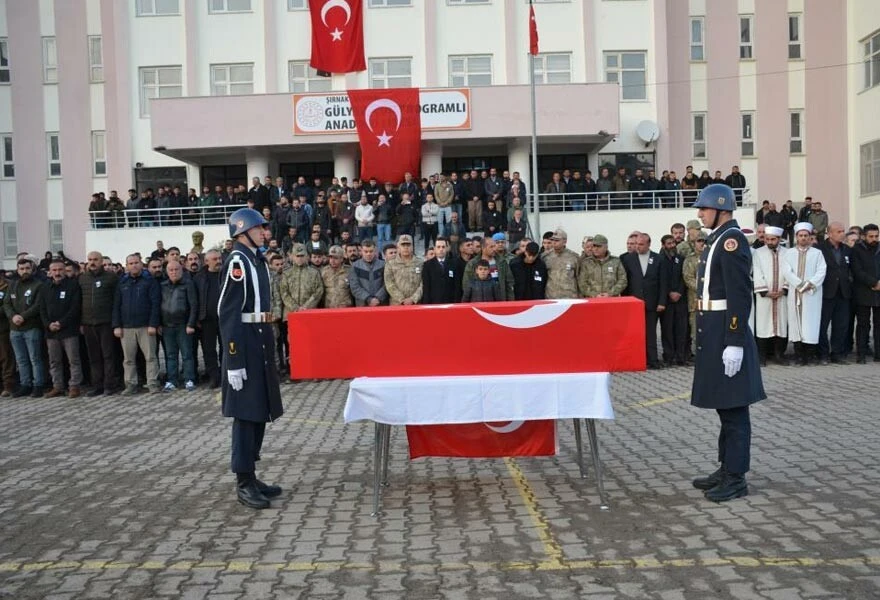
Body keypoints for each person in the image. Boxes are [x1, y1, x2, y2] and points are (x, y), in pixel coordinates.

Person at [690, 183, 766, 502]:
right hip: (714, 329)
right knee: (725, 407)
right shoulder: (718, 239)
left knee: (735, 409)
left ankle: (736, 477)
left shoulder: (731, 241)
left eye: (704, 208)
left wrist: (734, 340)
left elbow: (739, 294)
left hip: (726, 331)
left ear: (721, 209)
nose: (700, 213)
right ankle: (725, 468)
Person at [219, 208, 284, 510]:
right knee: (246, 415)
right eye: (259, 228)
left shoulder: (254, 259)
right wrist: (234, 359)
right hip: (244, 341)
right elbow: (228, 313)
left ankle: (252, 474)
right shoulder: (238, 262)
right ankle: (243, 480)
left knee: (259, 410)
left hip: (260, 337)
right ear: (242, 231)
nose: (264, 232)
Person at [112, 254, 162, 395]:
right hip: (126, 328)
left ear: (141, 264)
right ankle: (130, 384)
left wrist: (153, 324)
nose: (134, 265)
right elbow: (116, 305)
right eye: (131, 263)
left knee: (151, 357)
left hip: (145, 326)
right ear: (127, 266)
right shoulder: (122, 283)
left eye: (136, 262)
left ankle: (152, 383)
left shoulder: (149, 281)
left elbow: (155, 304)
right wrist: (116, 325)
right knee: (128, 359)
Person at [782, 223, 827, 365]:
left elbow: (821, 271)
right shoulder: (789, 253)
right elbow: (786, 271)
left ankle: (810, 355)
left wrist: (809, 284)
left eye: (806, 236)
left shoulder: (817, 253)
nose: (803, 238)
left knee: (811, 324)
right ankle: (799, 356)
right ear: (796, 237)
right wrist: (800, 284)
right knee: (796, 324)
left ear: (810, 237)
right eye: (800, 236)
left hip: (812, 295)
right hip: (795, 293)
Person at [622, 234, 667, 369]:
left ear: (648, 244)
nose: (637, 247)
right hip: (634, 302)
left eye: (641, 244)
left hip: (652, 302)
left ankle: (652, 360)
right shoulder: (628, 259)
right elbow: (626, 282)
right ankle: (636, 359)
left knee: (651, 332)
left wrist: (662, 302)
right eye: (636, 244)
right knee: (635, 333)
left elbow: (663, 283)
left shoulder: (658, 259)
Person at [4, 259, 47, 397]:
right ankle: (25, 384)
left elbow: (38, 305)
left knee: (35, 358)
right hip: (15, 328)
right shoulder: (12, 285)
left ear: (32, 269)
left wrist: (23, 316)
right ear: (17, 270)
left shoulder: (38, 285)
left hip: (31, 327)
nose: (24, 271)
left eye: (27, 268)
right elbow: (6, 303)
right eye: (21, 268)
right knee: (21, 359)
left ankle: (38, 385)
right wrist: (13, 316)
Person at [41, 259, 83, 398]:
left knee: (73, 360)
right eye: (54, 270)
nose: (57, 273)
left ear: (65, 270)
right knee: (54, 361)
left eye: (60, 270)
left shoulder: (73, 285)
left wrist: (61, 323)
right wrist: (49, 324)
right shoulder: (45, 287)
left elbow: (75, 308)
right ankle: (57, 386)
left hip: (69, 330)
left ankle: (74, 386)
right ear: (50, 272)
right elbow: (42, 309)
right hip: (51, 332)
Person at [751, 226, 790, 366]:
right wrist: (764, 291)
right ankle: (761, 357)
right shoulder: (758, 253)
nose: (769, 242)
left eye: (773, 239)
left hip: (781, 295)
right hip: (765, 296)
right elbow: (756, 271)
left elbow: (789, 272)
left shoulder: (787, 253)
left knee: (781, 324)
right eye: (767, 239)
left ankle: (779, 355)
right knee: (763, 325)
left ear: (779, 239)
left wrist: (784, 289)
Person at [816, 222, 852, 364]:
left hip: (843, 293)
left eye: (843, 231)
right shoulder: (819, 249)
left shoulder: (847, 250)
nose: (842, 234)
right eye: (838, 231)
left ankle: (837, 353)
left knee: (841, 325)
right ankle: (823, 354)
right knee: (822, 325)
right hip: (826, 292)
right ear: (829, 233)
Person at [159, 260, 198, 392]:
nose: (174, 272)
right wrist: (159, 324)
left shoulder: (188, 284)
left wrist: (191, 323)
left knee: (187, 354)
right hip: (167, 326)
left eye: (177, 269)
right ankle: (172, 381)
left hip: (183, 325)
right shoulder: (163, 286)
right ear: (167, 272)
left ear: (182, 270)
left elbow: (194, 305)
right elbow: (159, 305)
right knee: (170, 355)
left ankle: (189, 380)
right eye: (171, 270)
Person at [851, 223, 880, 364]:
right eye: (871, 236)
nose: (874, 239)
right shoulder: (857, 250)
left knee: (878, 324)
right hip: (863, 292)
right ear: (864, 236)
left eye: (876, 236)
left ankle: (878, 354)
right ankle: (861, 354)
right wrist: (873, 283)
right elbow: (857, 271)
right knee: (863, 324)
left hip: (879, 292)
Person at [195, 250, 223, 388]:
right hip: (207, 319)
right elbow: (195, 300)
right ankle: (214, 377)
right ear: (206, 262)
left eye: (219, 258)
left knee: (227, 348)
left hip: (225, 318)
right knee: (208, 350)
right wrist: (196, 318)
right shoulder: (199, 277)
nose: (218, 261)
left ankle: (226, 375)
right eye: (214, 259)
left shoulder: (227, 274)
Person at [659, 235, 688, 366]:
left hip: (680, 299)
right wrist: (669, 292)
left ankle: (681, 357)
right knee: (667, 330)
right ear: (663, 245)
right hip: (667, 300)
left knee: (681, 329)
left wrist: (679, 292)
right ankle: (668, 357)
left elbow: (684, 277)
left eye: (673, 243)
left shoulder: (680, 259)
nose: (672, 245)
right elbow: (660, 280)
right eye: (668, 243)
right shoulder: (659, 260)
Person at [462, 237, 515, 301]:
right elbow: (466, 285)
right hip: (479, 303)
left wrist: (510, 302)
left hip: (500, 301)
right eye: (491, 247)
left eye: (494, 246)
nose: (494, 249)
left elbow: (509, 283)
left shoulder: (502, 262)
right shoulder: (472, 264)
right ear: (483, 248)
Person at [384, 234, 423, 305]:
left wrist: (413, 298)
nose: (406, 247)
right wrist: (401, 299)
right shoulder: (390, 264)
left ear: (412, 247)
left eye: (408, 245)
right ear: (398, 247)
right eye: (403, 245)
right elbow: (389, 283)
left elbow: (423, 283)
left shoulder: (420, 263)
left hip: (416, 303)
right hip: (397, 304)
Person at [421, 237, 462, 304]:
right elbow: (426, 288)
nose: (441, 249)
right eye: (438, 247)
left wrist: (456, 303)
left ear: (447, 248)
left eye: (443, 247)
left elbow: (457, 286)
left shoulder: (454, 264)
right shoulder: (427, 265)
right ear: (434, 249)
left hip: (450, 303)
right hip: (433, 304)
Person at [543, 228, 581, 299]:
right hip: (551, 297)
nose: (554, 242)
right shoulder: (546, 257)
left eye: (557, 240)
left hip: (569, 297)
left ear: (565, 241)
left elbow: (579, 278)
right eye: (553, 240)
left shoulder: (574, 257)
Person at [350, 240, 387, 307]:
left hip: (380, 303)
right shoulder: (355, 266)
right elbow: (354, 287)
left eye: (371, 251)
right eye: (366, 251)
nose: (368, 254)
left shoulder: (383, 265)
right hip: (362, 304)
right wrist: (368, 298)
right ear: (361, 251)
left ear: (375, 251)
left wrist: (378, 298)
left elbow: (386, 284)